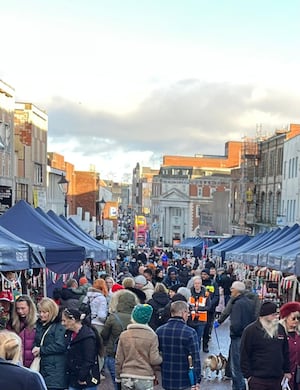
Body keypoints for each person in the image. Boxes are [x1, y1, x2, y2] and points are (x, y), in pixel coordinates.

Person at [241, 301, 291, 390]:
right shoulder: (250, 331)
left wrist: (287, 370)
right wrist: (248, 376)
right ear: (264, 315)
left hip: (277, 378)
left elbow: (285, 351)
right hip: (258, 379)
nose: (277, 317)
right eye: (274, 315)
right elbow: (244, 354)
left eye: (277, 314)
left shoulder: (280, 329)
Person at [115, 304, 162, 390]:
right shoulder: (152, 336)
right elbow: (154, 360)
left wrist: (118, 377)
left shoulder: (124, 335)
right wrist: (161, 358)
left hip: (127, 375)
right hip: (145, 376)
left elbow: (119, 359)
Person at [156, 301, 201, 390]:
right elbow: (195, 357)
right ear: (183, 312)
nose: (188, 315)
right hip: (184, 378)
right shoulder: (190, 332)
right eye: (188, 312)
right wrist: (197, 380)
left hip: (166, 377)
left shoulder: (160, 331)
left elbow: (156, 354)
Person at [101, 290, 138, 389]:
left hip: (114, 352)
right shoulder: (137, 318)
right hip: (133, 354)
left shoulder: (113, 317)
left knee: (116, 382)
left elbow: (104, 335)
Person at [32, 297, 67, 390]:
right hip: (45, 366)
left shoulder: (59, 326)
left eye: (44, 312)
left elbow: (61, 345)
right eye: (40, 312)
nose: (41, 314)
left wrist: (41, 350)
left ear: (51, 311)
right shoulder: (40, 325)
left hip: (54, 369)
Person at [62, 308, 101, 390]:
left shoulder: (88, 337)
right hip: (73, 378)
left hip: (86, 380)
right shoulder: (69, 334)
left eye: (64, 320)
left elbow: (89, 359)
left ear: (72, 320)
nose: (62, 323)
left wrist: (82, 377)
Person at [226, 281, 255, 390]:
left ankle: (239, 387)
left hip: (238, 337)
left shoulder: (237, 304)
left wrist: (233, 331)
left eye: (232, 288)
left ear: (237, 291)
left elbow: (236, 323)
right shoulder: (249, 302)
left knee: (236, 366)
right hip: (247, 335)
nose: (231, 290)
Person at [8, 294, 37, 367]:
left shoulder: (38, 323)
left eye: (23, 308)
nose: (20, 311)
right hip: (17, 361)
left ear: (30, 307)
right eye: (18, 308)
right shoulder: (12, 323)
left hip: (34, 362)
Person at [279, 301, 300, 390]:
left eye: (298, 318)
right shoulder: (279, 335)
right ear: (286, 318)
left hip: (297, 377)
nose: (296, 321)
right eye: (293, 318)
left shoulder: (298, 335)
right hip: (283, 376)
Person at [188, 276, 211, 351]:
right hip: (191, 319)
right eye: (195, 283)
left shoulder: (206, 294)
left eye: (198, 283)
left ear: (201, 284)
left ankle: (196, 353)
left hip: (201, 319)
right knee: (191, 338)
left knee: (198, 338)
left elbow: (208, 306)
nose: (197, 285)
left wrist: (199, 308)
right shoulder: (189, 293)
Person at [201, 268, 219, 353]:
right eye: (202, 274)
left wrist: (210, 304)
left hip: (210, 311)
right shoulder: (199, 284)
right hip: (200, 310)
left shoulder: (213, 283)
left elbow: (216, 296)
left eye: (205, 274)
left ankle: (205, 345)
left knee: (207, 328)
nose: (203, 276)